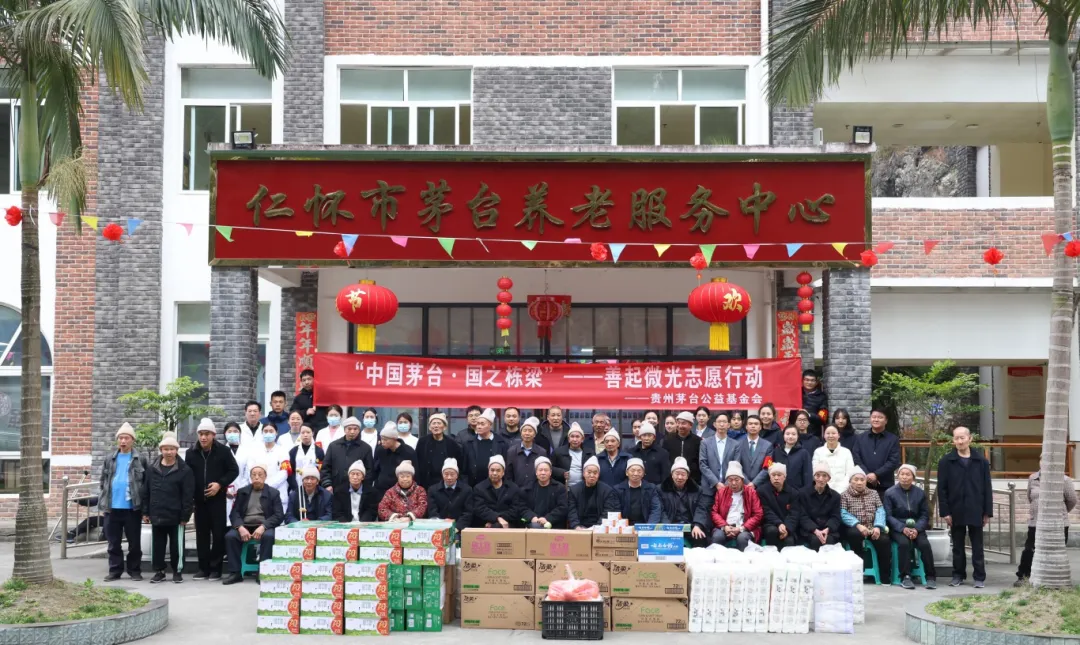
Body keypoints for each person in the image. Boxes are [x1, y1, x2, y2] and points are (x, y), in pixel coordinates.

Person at [937, 426, 992, 588]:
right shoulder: (946, 461)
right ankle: (958, 575)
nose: (960, 441)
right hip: (955, 509)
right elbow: (942, 489)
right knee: (958, 546)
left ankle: (979, 577)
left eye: (962, 438)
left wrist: (987, 512)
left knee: (977, 546)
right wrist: (945, 512)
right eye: (956, 438)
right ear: (953, 440)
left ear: (970, 439)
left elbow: (987, 488)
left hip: (976, 508)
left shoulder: (981, 461)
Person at [186, 417, 239, 581]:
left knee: (218, 534)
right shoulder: (191, 453)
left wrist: (220, 484)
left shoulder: (223, 451)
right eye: (201, 434)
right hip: (199, 500)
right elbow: (188, 476)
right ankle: (203, 568)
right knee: (201, 535)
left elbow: (233, 470)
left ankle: (216, 568)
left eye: (207, 434)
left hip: (217, 500)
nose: (203, 437)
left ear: (213, 435)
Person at [142, 432, 194, 584]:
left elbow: (188, 495)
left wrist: (185, 516)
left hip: (176, 516)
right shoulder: (152, 469)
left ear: (176, 450)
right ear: (161, 450)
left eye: (172, 449)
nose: (169, 452)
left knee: (176, 546)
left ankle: (177, 571)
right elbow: (146, 491)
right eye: (166, 449)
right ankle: (159, 571)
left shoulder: (185, 470)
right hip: (157, 513)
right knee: (157, 545)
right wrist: (145, 512)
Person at [100, 422, 149, 582]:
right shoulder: (110, 459)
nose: (123, 441)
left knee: (134, 543)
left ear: (132, 440)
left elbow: (146, 484)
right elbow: (103, 481)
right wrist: (104, 501)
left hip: (132, 508)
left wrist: (145, 509)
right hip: (112, 508)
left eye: (126, 438)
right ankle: (115, 571)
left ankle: (134, 570)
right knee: (113, 543)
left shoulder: (140, 459)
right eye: (120, 438)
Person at [1015, 465, 1077, 586]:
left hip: (1058, 523)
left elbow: (1072, 500)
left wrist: (1061, 512)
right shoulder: (1033, 478)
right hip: (1035, 522)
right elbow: (1030, 497)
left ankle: (1054, 580)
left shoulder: (1065, 480)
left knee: (1055, 552)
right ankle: (1023, 576)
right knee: (1029, 550)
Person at [223, 463, 284, 585]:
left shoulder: (273, 493)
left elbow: (278, 515)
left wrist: (263, 526)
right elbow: (234, 513)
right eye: (254, 475)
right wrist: (240, 527)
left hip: (264, 526)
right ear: (250, 477)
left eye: (260, 475)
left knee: (269, 536)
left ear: (265, 477)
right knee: (230, 536)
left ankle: (263, 571)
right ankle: (235, 573)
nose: (256, 477)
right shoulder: (243, 492)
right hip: (245, 525)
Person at [884, 463, 938, 590]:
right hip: (898, 527)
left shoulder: (920, 493)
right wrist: (903, 528)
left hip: (916, 527)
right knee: (903, 544)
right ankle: (905, 577)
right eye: (902, 474)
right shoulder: (889, 493)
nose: (904, 477)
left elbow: (924, 515)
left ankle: (931, 577)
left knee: (924, 545)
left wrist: (917, 529)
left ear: (913, 477)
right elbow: (888, 516)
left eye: (908, 474)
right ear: (898, 476)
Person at [841, 467, 892, 580]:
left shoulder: (873, 493)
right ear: (850, 481)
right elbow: (843, 513)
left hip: (872, 526)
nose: (859, 482)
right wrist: (858, 525)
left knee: (884, 540)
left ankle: (884, 576)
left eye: (862, 479)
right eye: (856, 479)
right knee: (854, 535)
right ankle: (859, 571)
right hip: (855, 527)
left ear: (866, 481)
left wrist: (877, 527)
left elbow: (880, 510)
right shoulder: (844, 495)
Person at [709, 461, 763, 550]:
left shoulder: (751, 492)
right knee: (717, 537)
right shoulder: (721, 492)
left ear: (742, 480)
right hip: (725, 526)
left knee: (742, 538)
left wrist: (741, 528)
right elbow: (714, 512)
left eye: (737, 480)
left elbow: (758, 514)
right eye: (730, 480)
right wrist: (725, 526)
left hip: (744, 527)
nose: (733, 483)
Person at [320, 416, 375, 493]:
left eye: (355, 429)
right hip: (335, 488)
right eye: (349, 429)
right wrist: (327, 484)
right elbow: (325, 468)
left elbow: (369, 472)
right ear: (344, 429)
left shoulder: (366, 448)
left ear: (359, 430)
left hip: (357, 490)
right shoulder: (333, 446)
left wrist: (363, 488)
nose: (352, 432)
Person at [660, 457, 707, 546]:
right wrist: (667, 526)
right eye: (677, 474)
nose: (680, 477)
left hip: (689, 525)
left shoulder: (697, 490)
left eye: (683, 474)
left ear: (687, 476)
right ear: (672, 474)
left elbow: (701, 509)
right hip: (671, 525)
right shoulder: (661, 489)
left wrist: (697, 525)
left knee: (700, 538)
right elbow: (661, 510)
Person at [796, 462, 843, 550]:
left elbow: (836, 517)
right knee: (816, 541)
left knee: (828, 541)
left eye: (824, 476)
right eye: (818, 475)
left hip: (828, 530)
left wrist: (827, 529)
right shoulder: (802, 493)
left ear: (829, 478)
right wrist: (815, 530)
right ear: (814, 477)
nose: (821, 479)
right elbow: (802, 516)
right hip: (809, 530)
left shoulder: (835, 496)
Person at [853, 408, 901, 493]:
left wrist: (876, 474)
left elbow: (894, 461)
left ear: (886, 421)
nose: (876, 419)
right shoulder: (860, 438)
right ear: (870, 418)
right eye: (874, 417)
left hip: (885, 484)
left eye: (880, 417)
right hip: (863, 483)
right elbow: (856, 459)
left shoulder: (893, 439)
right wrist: (867, 474)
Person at [568, 457, 621, 530]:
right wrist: (576, 526)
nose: (592, 475)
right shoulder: (574, 490)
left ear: (598, 474)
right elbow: (572, 511)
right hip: (579, 527)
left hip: (599, 528)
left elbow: (607, 512)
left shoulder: (607, 491)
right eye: (589, 472)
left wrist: (597, 527)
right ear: (583, 473)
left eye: (595, 473)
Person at [471, 456, 523, 528]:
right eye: (492, 470)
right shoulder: (479, 488)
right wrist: (497, 518)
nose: (495, 473)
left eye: (498, 470)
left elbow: (515, 510)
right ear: (488, 471)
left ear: (503, 472)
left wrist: (499, 519)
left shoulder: (513, 488)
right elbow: (480, 509)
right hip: (485, 524)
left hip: (508, 524)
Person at [462, 409, 510, 487]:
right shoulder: (469, 444)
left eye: (482, 424)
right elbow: (464, 469)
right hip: (473, 486)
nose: (479, 426)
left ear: (490, 425)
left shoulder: (501, 443)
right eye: (478, 424)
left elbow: (506, 468)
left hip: (496, 486)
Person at [415, 412, 463, 489]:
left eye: (439, 423)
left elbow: (459, 465)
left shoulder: (452, 443)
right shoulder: (422, 442)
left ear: (444, 427)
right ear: (430, 427)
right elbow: (417, 462)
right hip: (426, 483)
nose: (436, 426)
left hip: (445, 483)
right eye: (433, 423)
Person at [252, 423, 291, 517]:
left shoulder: (283, 451)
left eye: (271, 431)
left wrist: (267, 486)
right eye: (265, 431)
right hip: (259, 491)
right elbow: (251, 470)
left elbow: (284, 472)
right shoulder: (255, 451)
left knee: (279, 521)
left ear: (276, 433)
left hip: (278, 491)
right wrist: (261, 485)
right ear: (262, 433)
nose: (268, 433)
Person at [426, 458, 473, 533]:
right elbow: (433, 512)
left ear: (457, 475)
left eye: (452, 474)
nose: (449, 477)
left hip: (460, 529)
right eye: (446, 474)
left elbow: (468, 513)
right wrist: (441, 526)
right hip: (439, 529)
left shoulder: (467, 490)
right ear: (442, 474)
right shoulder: (433, 490)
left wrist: (457, 527)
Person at [373, 423, 419, 497]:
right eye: (381, 439)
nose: (382, 442)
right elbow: (375, 469)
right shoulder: (380, 450)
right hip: (381, 491)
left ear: (394, 439)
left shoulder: (408, 452)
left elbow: (415, 476)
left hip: (400, 493)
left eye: (385, 440)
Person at [700, 412, 743, 493]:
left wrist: (726, 483)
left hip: (728, 487)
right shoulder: (705, 443)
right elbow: (703, 465)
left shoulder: (735, 444)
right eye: (719, 422)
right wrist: (716, 483)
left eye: (724, 422)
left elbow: (736, 465)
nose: (722, 424)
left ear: (728, 425)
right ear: (714, 424)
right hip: (708, 487)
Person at [522, 456, 568, 529]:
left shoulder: (559, 488)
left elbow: (562, 508)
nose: (543, 473)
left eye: (546, 470)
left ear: (550, 472)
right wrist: (532, 517)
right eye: (540, 470)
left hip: (554, 525)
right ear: (536, 472)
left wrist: (547, 518)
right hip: (533, 524)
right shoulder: (528, 488)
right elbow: (522, 507)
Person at [614, 458, 662, 525]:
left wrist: (649, 526)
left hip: (645, 525)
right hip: (625, 525)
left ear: (643, 474)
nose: (636, 474)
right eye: (632, 471)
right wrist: (622, 526)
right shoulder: (618, 489)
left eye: (639, 471)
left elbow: (655, 509)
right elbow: (616, 510)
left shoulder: (651, 488)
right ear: (626, 473)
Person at [759, 463, 797, 549]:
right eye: (773, 475)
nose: (776, 478)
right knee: (772, 531)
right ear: (770, 477)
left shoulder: (793, 493)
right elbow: (766, 511)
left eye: (779, 475)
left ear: (784, 477)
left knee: (789, 541)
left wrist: (787, 528)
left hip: (787, 525)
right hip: (770, 524)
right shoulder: (762, 491)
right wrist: (779, 523)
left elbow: (794, 514)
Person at [813, 426, 857, 493]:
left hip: (843, 490)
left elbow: (850, 473)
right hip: (822, 490)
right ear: (824, 435)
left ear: (838, 435)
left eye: (833, 433)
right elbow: (815, 472)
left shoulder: (846, 452)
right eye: (828, 433)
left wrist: (841, 489)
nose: (830, 436)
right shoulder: (818, 452)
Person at [506, 417, 547, 488]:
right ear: (521, 433)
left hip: (535, 490)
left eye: (530, 431)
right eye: (525, 430)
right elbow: (508, 474)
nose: (527, 433)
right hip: (516, 490)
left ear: (535, 434)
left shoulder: (541, 452)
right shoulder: (512, 451)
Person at [664, 411, 703, 485]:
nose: (680, 426)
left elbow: (699, 462)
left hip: (693, 480)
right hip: (672, 479)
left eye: (683, 423)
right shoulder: (668, 440)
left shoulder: (698, 441)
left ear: (691, 425)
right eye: (678, 423)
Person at [287, 424, 324, 498]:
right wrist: (295, 487)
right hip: (296, 486)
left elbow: (321, 470)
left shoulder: (319, 451)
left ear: (312, 433)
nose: (305, 435)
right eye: (303, 432)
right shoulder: (293, 451)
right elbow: (290, 471)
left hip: (314, 486)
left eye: (308, 432)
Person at [772, 425, 812, 491]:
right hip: (779, 490)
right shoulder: (777, 451)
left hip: (797, 491)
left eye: (793, 434)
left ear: (798, 436)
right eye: (787, 434)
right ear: (783, 436)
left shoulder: (804, 453)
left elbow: (807, 474)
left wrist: (805, 492)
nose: (790, 436)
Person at [738, 415, 772, 488]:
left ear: (760, 427)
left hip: (761, 486)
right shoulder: (738, 444)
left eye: (756, 424)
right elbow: (737, 465)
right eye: (750, 424)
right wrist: (747, 482)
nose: (753, 426)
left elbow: (767, 467)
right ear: (746, 427)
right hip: (742, 485)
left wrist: (754, 483)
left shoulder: (768, 445)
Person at [223, 421, 248, 519]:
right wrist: (225, 489)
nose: (232, 434)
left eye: (235, 431)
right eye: (229, 431)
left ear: (240, 433)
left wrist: (241, 488)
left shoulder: (246, 451)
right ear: (225, 434)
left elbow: (248, 472)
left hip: (243, 489)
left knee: (241, 519)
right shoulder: (221, 450)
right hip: (225, 492)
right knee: (226, 519)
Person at [801, 369, 828, 438]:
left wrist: (809, 415)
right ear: (802, 381)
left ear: (816, 382)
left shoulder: (822, 397)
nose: (809, 382)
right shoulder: (797, 393)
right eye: (807, 380)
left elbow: (823, 418)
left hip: (813, 434)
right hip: (796, 433)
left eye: (812, 380)